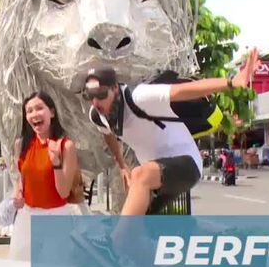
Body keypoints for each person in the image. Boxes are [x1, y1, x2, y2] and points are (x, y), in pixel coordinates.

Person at [83, 48, 259, 216]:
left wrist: (231, 82)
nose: (96, 103)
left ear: (114, 88)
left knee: (139, 174)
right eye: (90, 97)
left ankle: (115, 243)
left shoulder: (140, 97)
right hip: (155, 178)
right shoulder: (98, 116)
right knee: (139, 220)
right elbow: (107, 134)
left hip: (186, 164)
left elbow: (183, 91)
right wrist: (121, 165)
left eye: (101, 95)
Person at [9, 91, 82, 261]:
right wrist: (18, 193)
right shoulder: (21, 145)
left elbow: (63, 192)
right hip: (26, 216)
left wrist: (55, 161)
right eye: (29, 111)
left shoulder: (66, 146)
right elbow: (22, 178)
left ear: (52, 112)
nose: (34, 114)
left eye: (39, 108)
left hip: (55, 217)